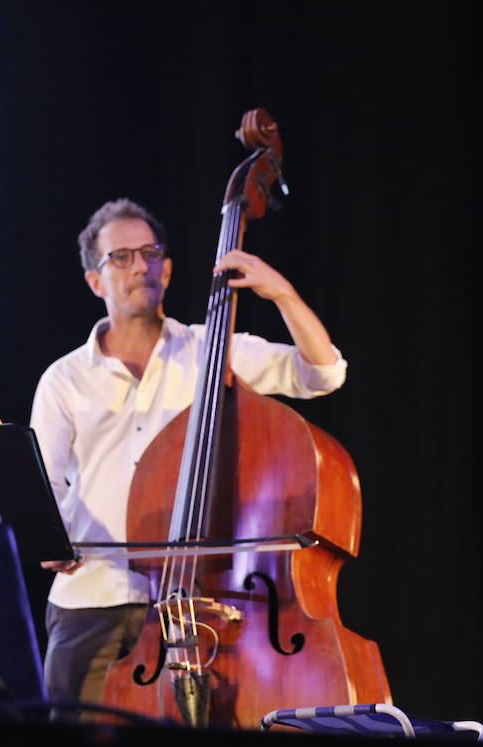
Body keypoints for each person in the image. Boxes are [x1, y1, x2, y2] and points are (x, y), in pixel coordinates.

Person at [30, 198, 347, 715]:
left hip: (197, 602)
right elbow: (46, 484)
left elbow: (322, 373)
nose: (140, 266)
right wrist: (51, 537)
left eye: (150, 253)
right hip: (91, 598)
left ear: (169, 269)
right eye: (121, 257)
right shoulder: (64, 378)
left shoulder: (211, 351)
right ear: (95, 281)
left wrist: (282, 294)